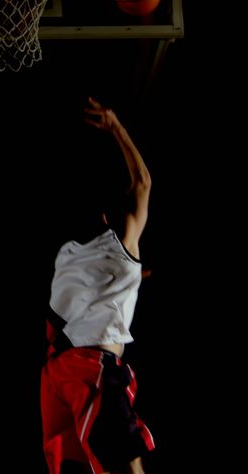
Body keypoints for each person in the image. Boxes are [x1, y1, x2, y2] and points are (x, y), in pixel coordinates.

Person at [41, 97, 155, 474]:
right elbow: (143, 182)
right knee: (125, 464)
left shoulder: (63, 254)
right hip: (91, 369)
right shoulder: (122, 243)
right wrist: (117, 127)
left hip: (57, 374)